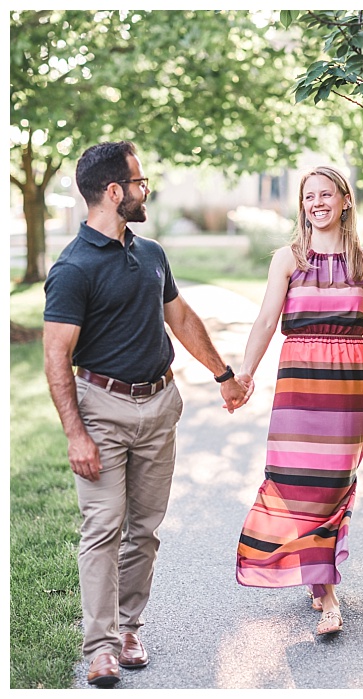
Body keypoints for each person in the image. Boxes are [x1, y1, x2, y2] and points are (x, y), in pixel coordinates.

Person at [43, 141, 250, 687]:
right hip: (102, 413)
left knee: (145, 529)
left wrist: (224, 375)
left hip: (159, 406)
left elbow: (180, 318)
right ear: (114, 192)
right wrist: (76, 435)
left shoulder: (152, 252)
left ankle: (130, 627)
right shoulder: (73, 268)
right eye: (139, 183)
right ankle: (100, 646)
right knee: (102, 527)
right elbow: (55, 357)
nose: (145, 191)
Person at [232, 165, 363, 637]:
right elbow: (265, 321)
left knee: (331, 486)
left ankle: (323, 587)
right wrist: (244, 375)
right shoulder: (287, 259)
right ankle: (325, 590)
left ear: (345, 200)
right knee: (297, 481)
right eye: (308, 197)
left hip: (350, 387)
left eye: (326, 194)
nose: (317, 203)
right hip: (299, 384)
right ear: (301, 206)